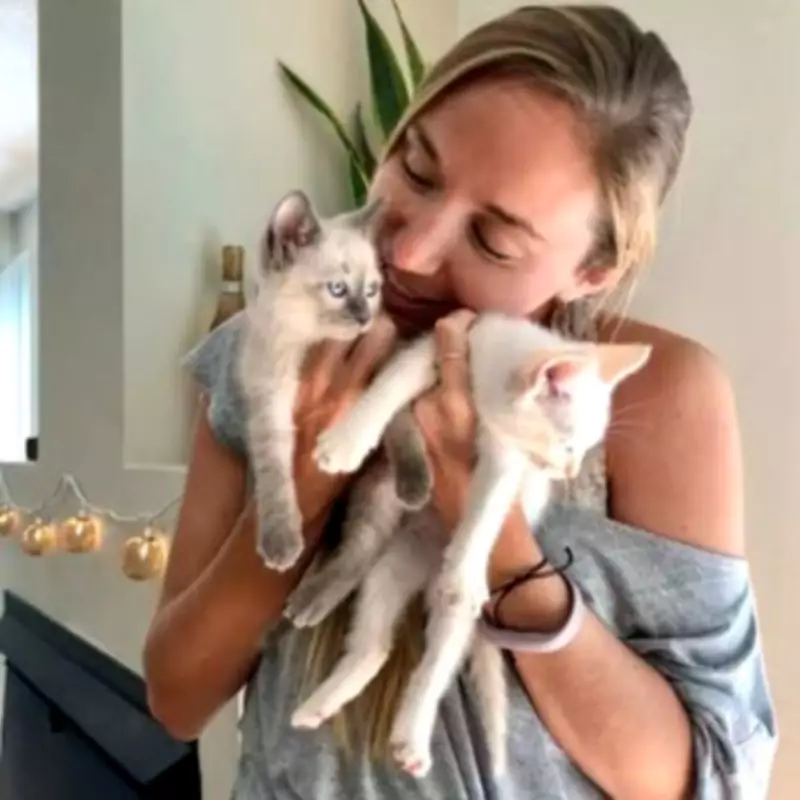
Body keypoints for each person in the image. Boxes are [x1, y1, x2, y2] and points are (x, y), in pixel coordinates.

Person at [143, 6, 778, 798]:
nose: (408, 254)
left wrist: (499, 539)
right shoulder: (266, 348)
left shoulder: (651, 398)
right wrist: (307, 482)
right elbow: (174, 698)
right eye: (414, 168)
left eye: (494, 241)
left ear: (592, 270)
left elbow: (716, 777)